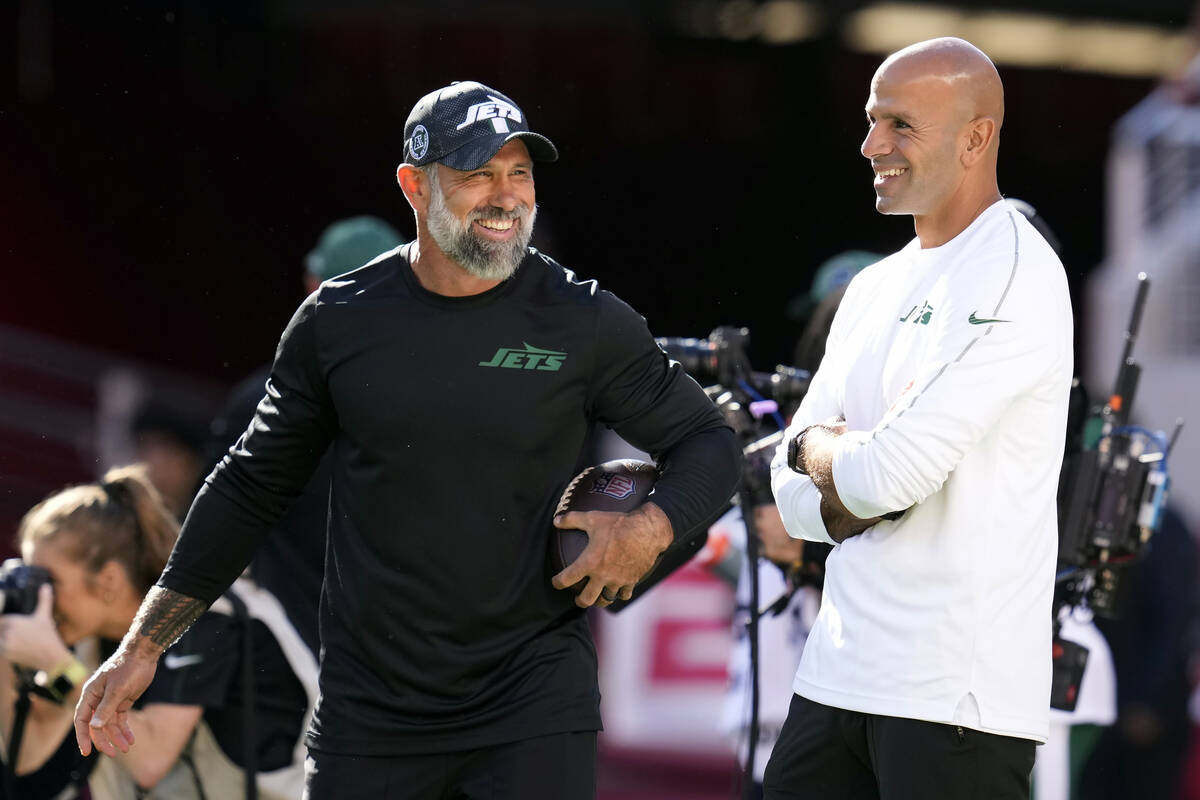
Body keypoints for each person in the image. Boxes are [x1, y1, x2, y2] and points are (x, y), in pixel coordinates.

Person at [75, 80, 742, 799]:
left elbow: (708, 439)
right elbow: (248, 485)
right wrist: (145, 644)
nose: (506, 194)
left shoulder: (584, 320)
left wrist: (653, 525)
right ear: (414, 186)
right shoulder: (337, 321)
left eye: (520, 172)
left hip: (532, 704)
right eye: (478, 173)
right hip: (370, 716)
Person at [765, 37, 1073, 800]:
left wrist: (820, 452)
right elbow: (789, 491)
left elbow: (888, 476)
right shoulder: (872, 286)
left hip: (954, 699)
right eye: (873, 121)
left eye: (900, 124)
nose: (872, 145)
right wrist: (837, 461)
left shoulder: (1018, 272)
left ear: (977, 137)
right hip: (835, 674)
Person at [0, 464, 315, 799]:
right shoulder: (88, 635)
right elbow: (29, 760)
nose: (43, 598)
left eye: (51, 582)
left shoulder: (204, 617)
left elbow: (150, 760)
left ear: (109, 579)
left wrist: (57, 665)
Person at [207, 215, 406, 657]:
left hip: (281, 664)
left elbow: (213, 536)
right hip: (392, 670)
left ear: (313, 285)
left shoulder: (260, 402)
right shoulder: (443, 405)